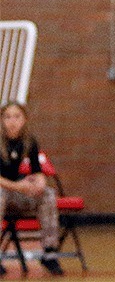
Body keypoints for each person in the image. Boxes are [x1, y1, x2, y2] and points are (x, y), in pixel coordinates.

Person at [0, 102, 64, 276]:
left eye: (17, 116)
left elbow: (37, 171)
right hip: (4, 192)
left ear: (25, 120)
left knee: (47, 194)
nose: (12, 121)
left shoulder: (29, 141)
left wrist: (40, 183)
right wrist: (18, 186)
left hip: (17, 194)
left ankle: (49, 253)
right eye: (7, 117)